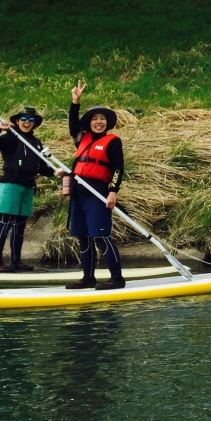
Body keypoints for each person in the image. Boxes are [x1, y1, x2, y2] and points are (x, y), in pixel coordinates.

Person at [63, 80, 126, 290]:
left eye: (102, 119)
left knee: (100, 234)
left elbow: (118, 168)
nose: (98, 122)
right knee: (82, 235)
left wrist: (113, 192)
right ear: (89, 122)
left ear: (107, 123)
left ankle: (116, 278)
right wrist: (75, 102)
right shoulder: (82, 138)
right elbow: (73, 124)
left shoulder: (113, 141)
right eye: (95, 119)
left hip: (98, 193)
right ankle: (88, 277)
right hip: (78, 193)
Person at [0, 106, 57, 272]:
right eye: (23, 119)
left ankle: (16, 261)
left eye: (30, 120)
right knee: (5, 223)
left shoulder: (36, 143)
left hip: (28, 186)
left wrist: (55, 172)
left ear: (34, 123)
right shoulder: (11, 138)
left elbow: (41, 168)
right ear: (17, 121)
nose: (27, 122)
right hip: (11, 185)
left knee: (20, 225)